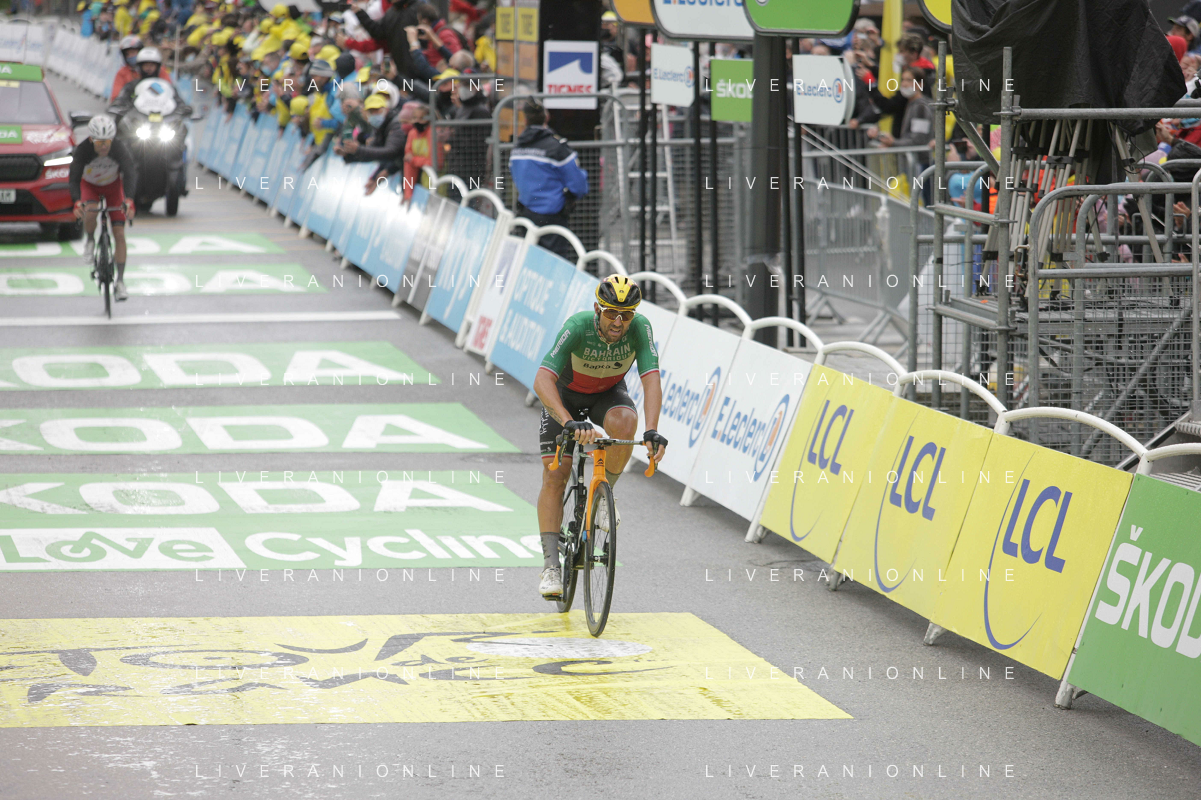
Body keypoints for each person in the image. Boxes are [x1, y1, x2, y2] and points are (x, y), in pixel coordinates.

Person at [531, 275, 667, 599]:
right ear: (597, 309)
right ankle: (551, 566)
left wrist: (652, 430)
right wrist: (567, 422)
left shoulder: (640, 329)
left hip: (607, 394)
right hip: (565, 397)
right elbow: (542, 380)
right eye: (611, 313)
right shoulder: (578, 326)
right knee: (555, 474)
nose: (619, 322)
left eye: (626, 314)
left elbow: (651, 380)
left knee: (626, 421)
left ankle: (603, 497)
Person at [509, 100, 589, 262]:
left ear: (525, 120)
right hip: (552, 217)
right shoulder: (557, 148)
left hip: (526, 214)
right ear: (547, 117)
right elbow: (579, 185)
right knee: (553, 264)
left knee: (529, 262)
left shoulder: (517, 149)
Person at [69, 115, 138, 302]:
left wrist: (129, 200)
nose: (104, 146)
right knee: (90, 210)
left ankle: (120, 282)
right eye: (99, 142)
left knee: (120, 234)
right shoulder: (83, 150)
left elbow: (130, 172)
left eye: (107, 142)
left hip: (113, 187)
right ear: (91, 139)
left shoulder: (119, 148)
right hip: (89, 186)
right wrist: (77, 202)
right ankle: (90, 239)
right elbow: (74, 178)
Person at [110, 34, 144, 101]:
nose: (130, 56)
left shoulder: (155, 69)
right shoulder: (122, 72)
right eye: (127, 54)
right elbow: (116, 96)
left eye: (133, 52)